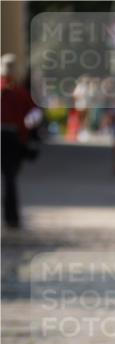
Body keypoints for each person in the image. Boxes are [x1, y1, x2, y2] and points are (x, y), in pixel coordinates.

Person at [1, 54, 40, 228]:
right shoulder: (20, 92)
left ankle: (11, 218)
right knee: (10, 178)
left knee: (10, 179)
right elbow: (34, 116)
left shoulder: (17, 91)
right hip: (13, 136)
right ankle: (11, 218)